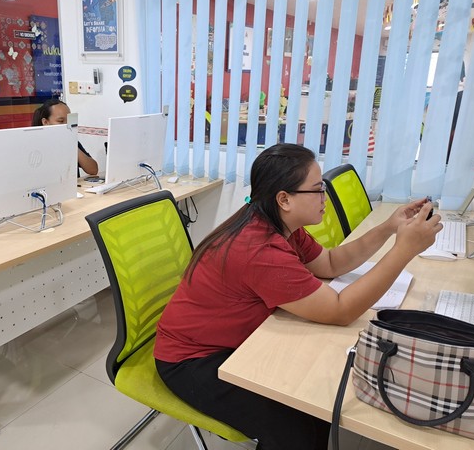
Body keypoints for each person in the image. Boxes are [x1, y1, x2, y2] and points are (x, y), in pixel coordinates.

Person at [154, 143, 442, 450]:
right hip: (191, 360)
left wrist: (388, 228)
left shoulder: (277, 222)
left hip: (234, 340)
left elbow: (330, 263)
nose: (324, 197)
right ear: (284, 199)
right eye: (318, 190)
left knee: (314, 402)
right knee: (294, 429)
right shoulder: (259, 249)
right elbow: (340, 310)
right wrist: (403, 251)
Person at [32, 99, 99, 176]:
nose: (67, 125)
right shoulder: (37, 145)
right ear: (45, 122)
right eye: (61, 121)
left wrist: (72, 145)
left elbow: (93, 170)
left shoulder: (72, 141)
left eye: (69, 120)